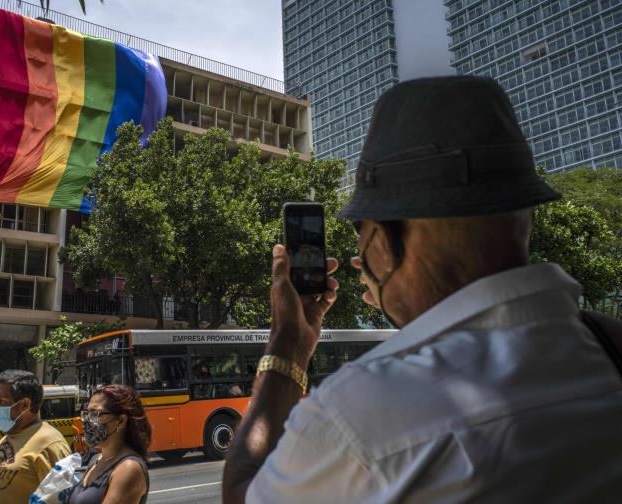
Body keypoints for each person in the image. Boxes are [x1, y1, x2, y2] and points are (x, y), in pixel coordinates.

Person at [222, 76, 622, 503]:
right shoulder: (610, 345)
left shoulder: (356, 413)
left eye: (360, 232)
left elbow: (242, 494)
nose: (359, 258)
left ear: (382, 238)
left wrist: (287, 343)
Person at [0, 370, 70, 504]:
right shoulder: (9, 437)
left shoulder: (50, 443)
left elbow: (60, 498)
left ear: (24, 404)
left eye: (1, 401)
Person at [67, 384, 151, 504]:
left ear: (121, 421)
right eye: (86, 413)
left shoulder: (128, 468)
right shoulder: (96, 460)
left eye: (96, 414)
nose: (86, 422)